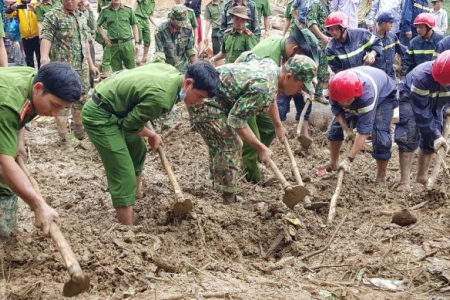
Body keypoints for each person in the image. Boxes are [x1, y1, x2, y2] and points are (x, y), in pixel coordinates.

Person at [82, 61, 220, 225]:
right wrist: (151, 135)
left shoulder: (171, 71)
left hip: (118, 106)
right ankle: (127, 228)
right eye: (199, 97)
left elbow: (140, 101)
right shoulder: (162, 98)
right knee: (123, 172)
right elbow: (129, 125)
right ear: (188, 83)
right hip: (100, 115)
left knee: (138, 149)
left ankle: (135, 194)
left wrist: (147, 130)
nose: (199, 103)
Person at [187, 55, 317, 202]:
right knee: (231, 144)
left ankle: (220, 179)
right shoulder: (264, 88)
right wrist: (260, 147)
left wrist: (278, 126)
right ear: (288, 76)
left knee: (222, 142)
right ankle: (228, 197)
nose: (300, 91)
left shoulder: (271, 69)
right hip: (203, 99)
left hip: (217, 99)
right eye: (300, 86)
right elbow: (236, 120)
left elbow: (271, 97)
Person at [0, 62, 82, 240]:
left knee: (8, 182)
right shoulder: (7, 103)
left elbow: (22, 111)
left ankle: (5, 238)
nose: (55, 113)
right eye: (55, 105)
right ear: (38, 88)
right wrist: (38, 205)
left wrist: (18, 140)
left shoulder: (33, 80)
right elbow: (4, 163)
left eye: (62, 108)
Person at [235, 27, 319, 183]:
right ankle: (251, 171)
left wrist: (278, 125)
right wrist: (258, 144)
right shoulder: (270, 59)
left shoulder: (281, 48)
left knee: (268, 126)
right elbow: (264, 92)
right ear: (295, 50)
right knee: (253, 133)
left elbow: (272, 96)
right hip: (244, 94)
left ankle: (256, 158)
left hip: (256, 92)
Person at [317, 66, 397, 183]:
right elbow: (337, 110)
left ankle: (381, 176)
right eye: (341, 101)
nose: (344, 104)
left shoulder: (367, 95)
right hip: (354, 96)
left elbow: (363, 131)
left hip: (383, 95)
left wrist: (349, 160)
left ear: (355, 94)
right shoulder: (335, 88)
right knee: (335, 128)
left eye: (347, 100)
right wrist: (345, 129)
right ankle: (333, 163)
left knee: (380, 136)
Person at [40, 0, 99, 143]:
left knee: (81, 100)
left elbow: (85, 42)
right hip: (63, 69)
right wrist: (43, 59)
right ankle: (64, 139)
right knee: (61, 103)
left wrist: (91, 65)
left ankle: (80, 133)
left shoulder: (81, 15)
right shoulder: (53, 15)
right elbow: (46, 37)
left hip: (82, 68)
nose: (69, 1)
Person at [394, 51, 450, 191]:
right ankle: (404, 181)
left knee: (433, 137)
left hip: (437, 103)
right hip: (410, 97)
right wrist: (436, 135)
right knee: (409, 133)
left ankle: (422, 176)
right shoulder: (422, 77)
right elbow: (421, 112)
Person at [97, 0, 139, 72]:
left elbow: (134, 26)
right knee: (116, 71)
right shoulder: (105, 11)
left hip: (127, 44)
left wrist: (137, 43)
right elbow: (98, 25)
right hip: (114, 45)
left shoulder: (128, 10)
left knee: (132, 70)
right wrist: (105, 38)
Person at [154, 5, 197, 73]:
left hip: (183, 68)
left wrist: (196, 68)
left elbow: (190, 50)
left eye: (183, 22)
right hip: (167, 69)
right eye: (179, 23)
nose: (182, 25)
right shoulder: (160, 31)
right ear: (172, 19)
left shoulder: (187, 28)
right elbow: (160, 54)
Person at [305, 0, 331, 102]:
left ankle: (318, 94)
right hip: (315, 42)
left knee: (323, 69)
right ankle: (306, 93)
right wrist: (322, 36)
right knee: (310, 69)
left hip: (324, 42)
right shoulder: (316, 4)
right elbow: (311, 23)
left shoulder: (327, 5)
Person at [6, 0, 40, 68]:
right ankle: (31, 74)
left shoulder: (37, 3)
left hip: (37, 35)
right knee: (29, 58)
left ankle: (41, 75)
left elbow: (42, 16)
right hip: (25, 36)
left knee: (40, 57)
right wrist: (12, 8)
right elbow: (8, 15)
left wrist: (34, 10)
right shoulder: (18, 5)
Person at [373, 12, 405, 79]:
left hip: (391, 76)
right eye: (390, 23)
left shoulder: (392, 37)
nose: (392, 25)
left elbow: (402, 50)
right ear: (383, 24)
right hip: (377, 77)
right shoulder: (370, 39)